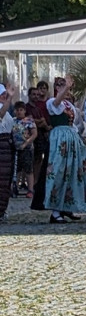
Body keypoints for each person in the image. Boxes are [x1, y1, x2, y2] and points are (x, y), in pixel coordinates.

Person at [32, 76, 86, 223]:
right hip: (59, 140)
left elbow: (75, 123)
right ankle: (56, 210)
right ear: (57, 88)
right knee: (58, 172)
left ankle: (68, 206)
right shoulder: (53, 102)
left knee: (73, 172)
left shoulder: (70, 106)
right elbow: (56, 103)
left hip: (71, 138)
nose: (67, 90)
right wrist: (65, 88)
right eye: (63, 87)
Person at [11, 101, 37, 197]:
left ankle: (30, 189)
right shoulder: (12, 121)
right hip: (15, 148)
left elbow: (34, 134)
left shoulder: (29, 121)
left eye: (21, 110)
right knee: (16, 169)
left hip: (27, 148)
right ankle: (14, 187)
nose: (19, 112)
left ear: (24, 111)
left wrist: (26, 143)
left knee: (28, 169)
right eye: (17, 110)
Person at [0, 85, 13, 222]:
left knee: (5, 182)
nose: (4, 96)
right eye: (2, 94)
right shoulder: (2, 107)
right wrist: (9, 98)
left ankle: (2, 209)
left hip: (7, 145)